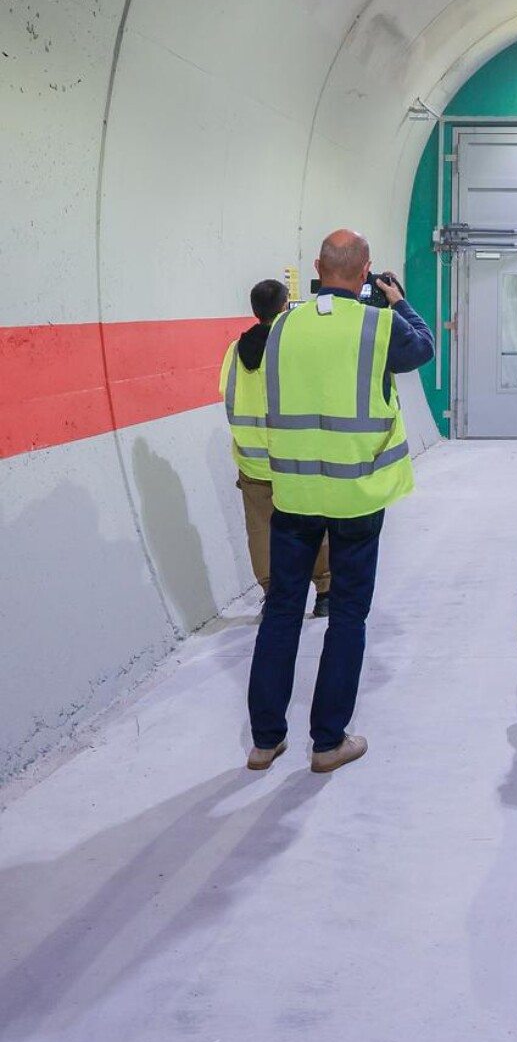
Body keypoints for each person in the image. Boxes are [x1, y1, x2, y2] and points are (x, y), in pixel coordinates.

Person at [245, 230, 434, 774]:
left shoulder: (281, 325)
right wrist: (397, 299)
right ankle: (328, 742)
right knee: (347, 615)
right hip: (354, 496)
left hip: (295, 493)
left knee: (282, 611)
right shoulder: (378, 324)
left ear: (317, 267)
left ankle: (264, 741)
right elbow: (421, 347)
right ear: (367, 270)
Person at [220, 278, 330, 618]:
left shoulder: (235, 350)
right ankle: (325, 589)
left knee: (261, 530)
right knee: (313, 523)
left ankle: (273, 593)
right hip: (295, 456)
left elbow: (226, 391)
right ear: (285, 307)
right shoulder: (294, 345)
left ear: (255, 311)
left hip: (253, 460)